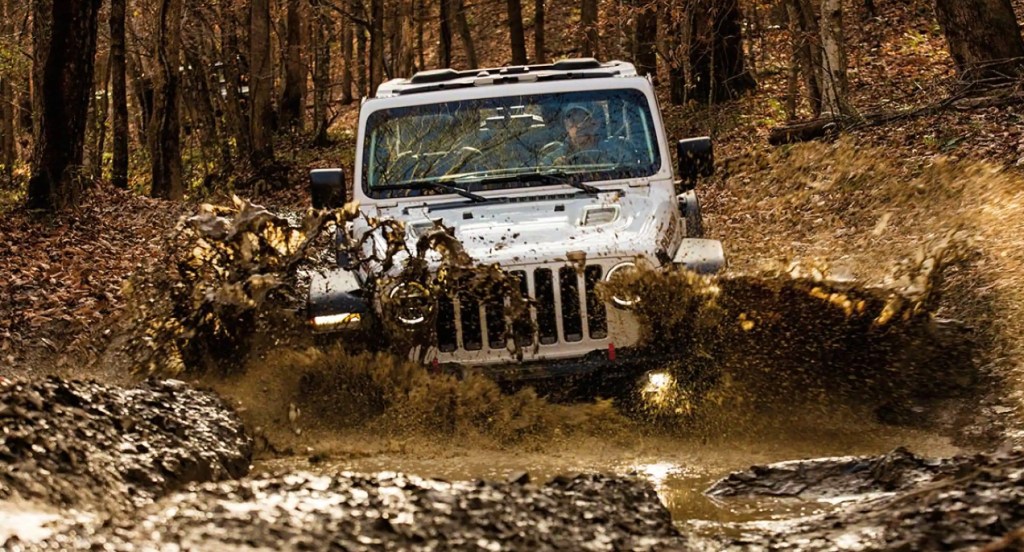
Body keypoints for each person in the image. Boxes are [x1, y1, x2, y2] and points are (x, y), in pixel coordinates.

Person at [543, 104, 610, 166]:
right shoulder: (552, 158)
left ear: (593, 124)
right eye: (572, 121)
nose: (578, 128)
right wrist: (556, 168)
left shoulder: (610, 150)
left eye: (582, 120)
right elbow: (542, 172)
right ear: (566, 125)